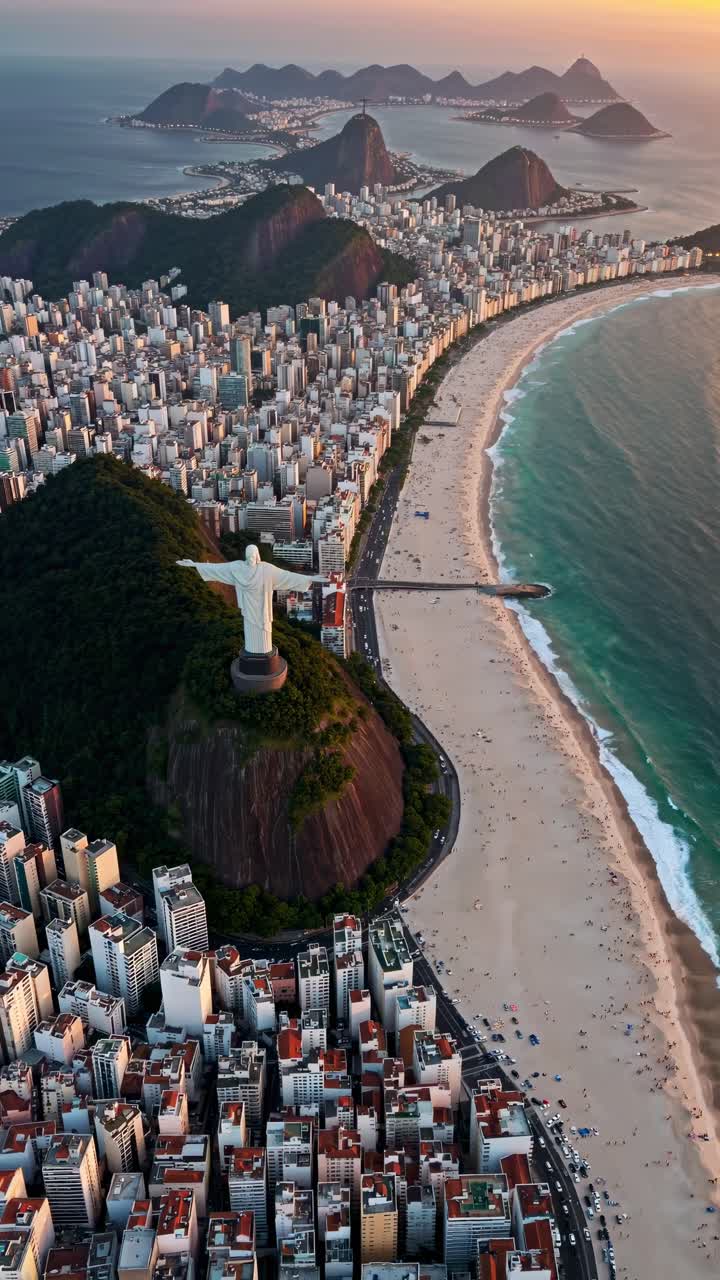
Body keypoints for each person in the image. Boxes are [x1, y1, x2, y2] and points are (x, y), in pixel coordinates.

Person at [177, 544, 318, 655]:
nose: (251, 558)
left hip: (262, 609)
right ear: (246, 556)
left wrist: (310, 578)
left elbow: (287, 576)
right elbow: (217, 569)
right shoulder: (237, 568)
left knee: (264, 635)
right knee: (250, 632)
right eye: (248, 555)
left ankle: (264, 652)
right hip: (248, 607)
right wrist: (195, 564)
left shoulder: (266, 569)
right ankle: (252, 652)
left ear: (257, 556)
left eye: (253, 555)